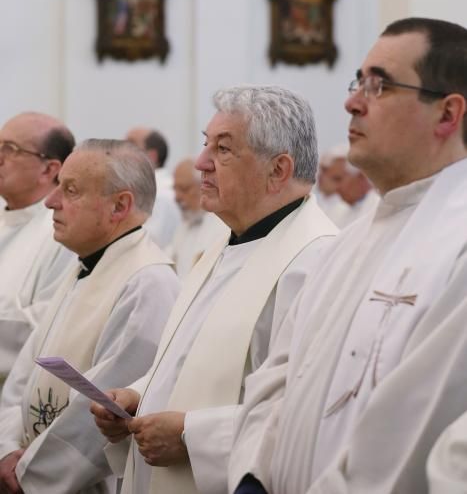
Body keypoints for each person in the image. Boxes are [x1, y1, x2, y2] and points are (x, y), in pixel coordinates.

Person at [229, 17, 467, 494]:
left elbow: (413, 431)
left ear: (447, 114)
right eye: (359, 81)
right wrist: (252, 475)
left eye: (380, 85)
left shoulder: (457, 242)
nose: (352, 101)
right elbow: (277, 378)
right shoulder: (347, 243)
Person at [92, 85, 338, 494]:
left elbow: (309, 409)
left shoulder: (315, 261)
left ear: (278, 170)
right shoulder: (227, 243)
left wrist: (193, 434)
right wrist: (138, 396)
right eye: (207, 145)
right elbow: (187, 357)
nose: (202, 164)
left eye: (223, 150)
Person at [0, 139, 180, 494]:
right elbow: (24, 374)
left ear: (119, 205)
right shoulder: (84, 267)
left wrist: (30, 474)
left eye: (70, 190)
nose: (51, 202)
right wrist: (6, 449)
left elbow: (100, 411)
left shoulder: (148, 283)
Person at [0, 112, 75, 386]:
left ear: (49, 169)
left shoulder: (62, 232)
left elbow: (47, 326)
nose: (0, 157)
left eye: (10, 149)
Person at [166, 158, 228, 278]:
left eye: (184, 189)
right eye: (175, 189)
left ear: (204, 186)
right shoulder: (183, 226)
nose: (177, 197)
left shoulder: (222, 227)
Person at [126, 127, 181, 247]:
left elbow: (149, 245)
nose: (121, 151)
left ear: (151, 156)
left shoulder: (161, 196)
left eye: (130, 145)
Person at [334, 159, 379, 227]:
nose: (336, 188)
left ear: (360, 177)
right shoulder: (341, 213)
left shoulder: (378, 207)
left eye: (339, 179)